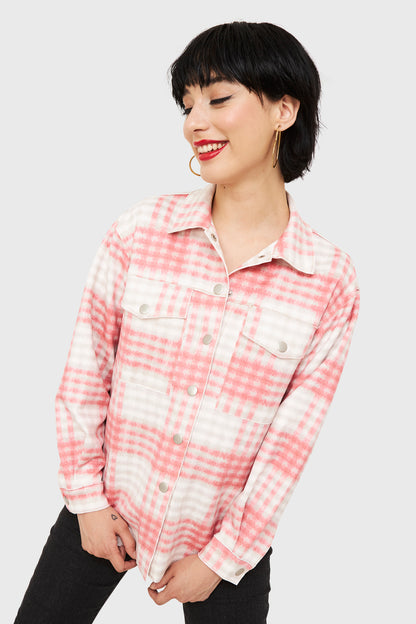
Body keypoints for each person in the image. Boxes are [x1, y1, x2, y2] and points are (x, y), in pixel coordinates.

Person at [14, 21, 359, 624]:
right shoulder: (139, 232)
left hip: (227, 546)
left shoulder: (328, 279)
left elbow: (289, 444)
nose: (195, 122)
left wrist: (224, 559)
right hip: (105, 510)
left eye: (219, 99)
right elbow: (85, 375)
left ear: (284, 110)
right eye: (187, 105)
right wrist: (87, 502)